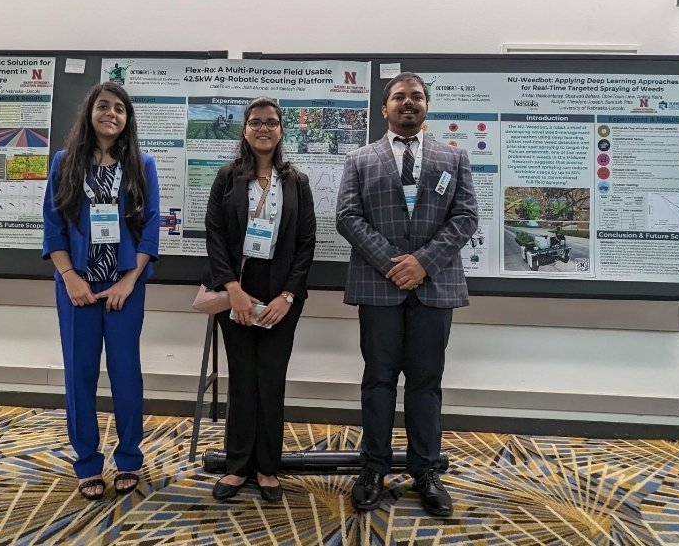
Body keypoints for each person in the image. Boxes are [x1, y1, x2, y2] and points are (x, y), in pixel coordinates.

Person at [336, 72, 478, 517]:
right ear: (384, 108)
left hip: (434, 287)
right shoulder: (360, 159)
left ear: (427, 106)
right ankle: (372, 469)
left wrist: (423, 264)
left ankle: (425, 471)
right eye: (399, 97)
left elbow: (467, 216)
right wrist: (395, 265)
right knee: (378, 381)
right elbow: (347, 216)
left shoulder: (453, 157)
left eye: (416, 96)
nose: (408, 103)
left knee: (425, 384)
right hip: (379, 289)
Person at [42, 81, 160, 501]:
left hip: (124, 289)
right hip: (77, 288)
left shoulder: (142, 165)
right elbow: (52, 227)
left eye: (120, 109)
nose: (111, 114)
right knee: (79, 376)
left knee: (127, 375)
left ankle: (129, 457)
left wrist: (130, 280)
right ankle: (87, 462)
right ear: (90, 112)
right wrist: (70, 276)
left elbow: (149, 232)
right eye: (104, 106)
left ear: (128, 120)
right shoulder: (64, 162)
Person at [204, 97, 316, 502]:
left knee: (271, 380)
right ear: (244, 129)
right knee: (242, 381)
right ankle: (237, 467)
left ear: (281, 129)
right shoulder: (227, 176)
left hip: (280, 297)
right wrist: (231, 288)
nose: (263, 128)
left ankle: (268, 467)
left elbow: (306, 243)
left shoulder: (297, 181)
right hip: (236, 293)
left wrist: (288, 295)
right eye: (255, 122)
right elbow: (214, 233)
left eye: (271, 122)